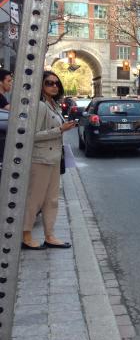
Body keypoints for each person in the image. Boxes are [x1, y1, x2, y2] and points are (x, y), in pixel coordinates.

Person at [22, 71, 76, 250]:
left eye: (56, 83)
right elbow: (32, 135)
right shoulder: (40, 106)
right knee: (35, 199)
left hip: (53, 158)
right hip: (41, 159)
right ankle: (25, 235)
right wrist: (60, 129)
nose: (54, 86)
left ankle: (49, 235)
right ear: (41, 85)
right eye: (49, 83)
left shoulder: (54, 105)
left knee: (52, 200)